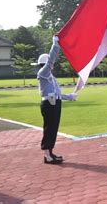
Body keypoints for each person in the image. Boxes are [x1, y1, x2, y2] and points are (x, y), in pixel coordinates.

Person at [35, 36, 77, 164]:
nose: (51, 65)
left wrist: (69, 96)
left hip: (54, 103)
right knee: (49, 128)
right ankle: (47, 155)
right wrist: (55, 45)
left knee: (53, 128)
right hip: (49, 104)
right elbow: (51, 61)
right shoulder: (43, 72)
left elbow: (57, 93)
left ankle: (50, 152)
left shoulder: (50, 76)